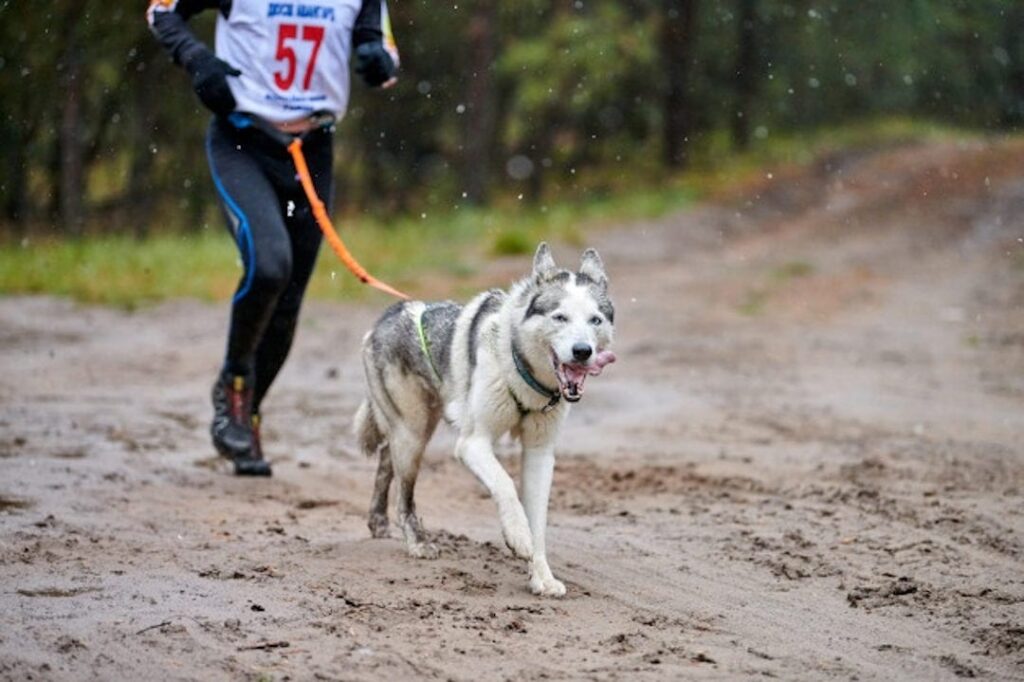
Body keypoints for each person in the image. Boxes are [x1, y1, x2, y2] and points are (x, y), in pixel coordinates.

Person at [147, 0, 399, 476]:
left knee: (288, 301)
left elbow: (384, 58)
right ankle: (234, 384)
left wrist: (375, 59)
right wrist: (197, 59)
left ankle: (247, 412)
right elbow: (161, 10)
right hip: (244, 145)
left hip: (311, 153)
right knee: (269, 265)